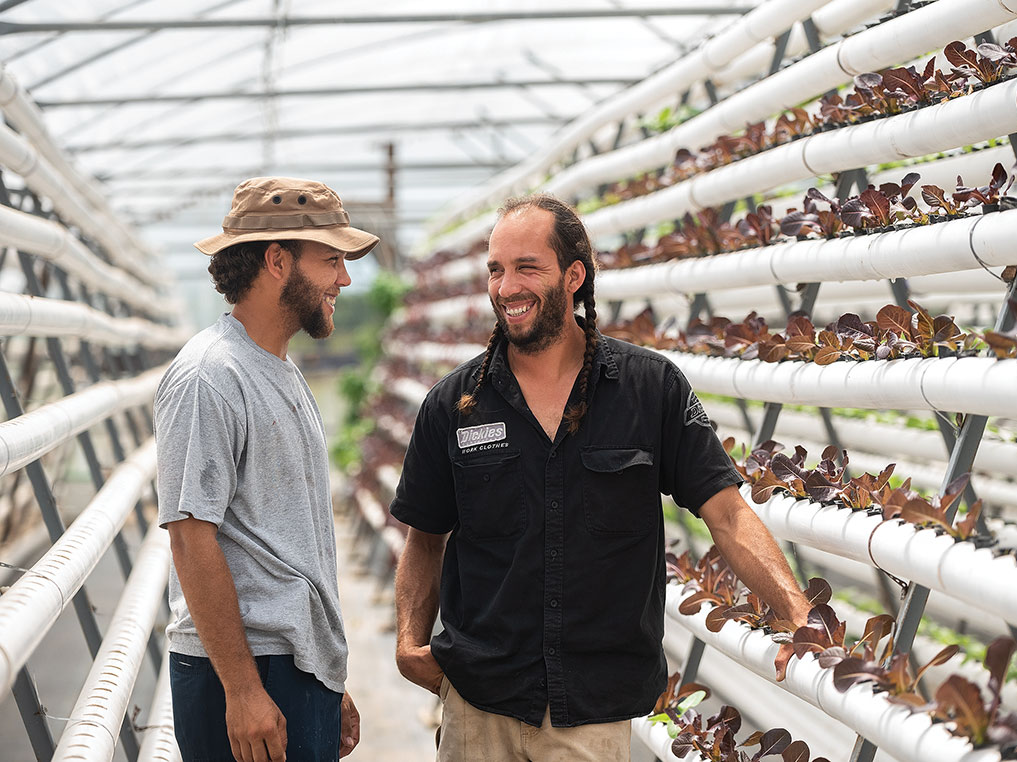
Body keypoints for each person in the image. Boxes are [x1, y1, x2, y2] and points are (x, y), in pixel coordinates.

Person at [390, 194, 811, 761]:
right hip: (478, 704)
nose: (506, 286)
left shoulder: (649, 389)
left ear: (574, 275)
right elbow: (425, 535)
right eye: (496, 269)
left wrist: (798, 613)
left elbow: (728, 513)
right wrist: (408, 639)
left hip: (591, 710)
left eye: (526, 267)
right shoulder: (455, 404)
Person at [155, 177, 378, 762]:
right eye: (331, 261)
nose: (345, 279)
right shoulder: (210, 376)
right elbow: (189, 535)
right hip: (247, 673)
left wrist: (324, 673)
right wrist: (244, 689)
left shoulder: (277, 370)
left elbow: (284, 546)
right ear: (278, 261)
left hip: (287, 667)